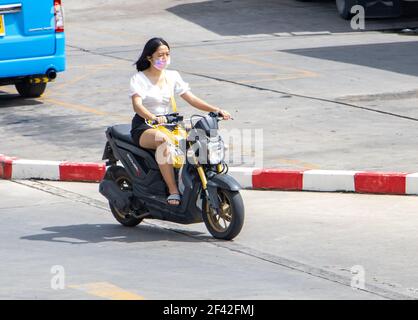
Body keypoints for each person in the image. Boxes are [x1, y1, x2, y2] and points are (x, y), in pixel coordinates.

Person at [130, 37, 231, 206]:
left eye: (167, 54)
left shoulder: (172, 76)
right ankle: (173, 190)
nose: (165, 58)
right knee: (163, 142)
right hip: (145, 126)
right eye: (160, 55)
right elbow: (137, 105)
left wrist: (215, 110)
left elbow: (191, 98)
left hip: (170, 124)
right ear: (149, 57)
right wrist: (152, 118)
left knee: (201, 139)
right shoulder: (139, 78)